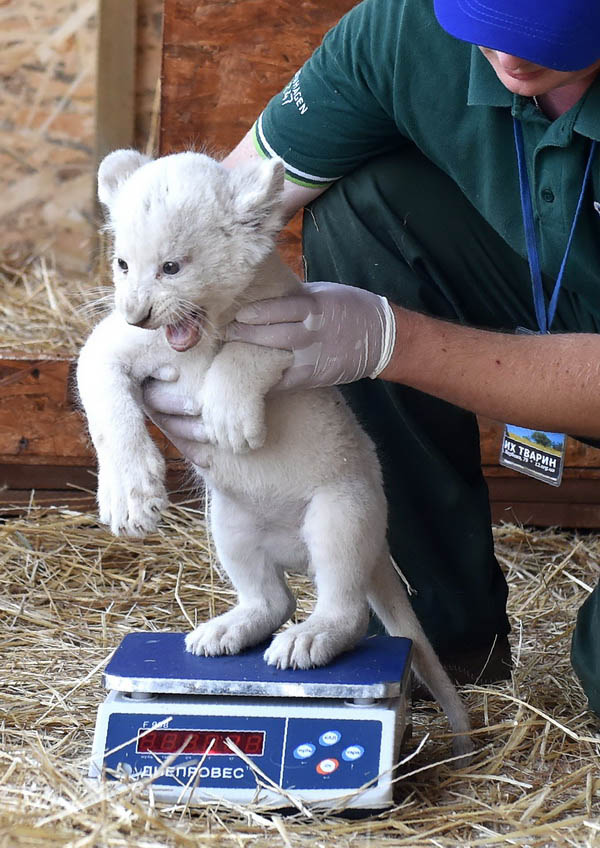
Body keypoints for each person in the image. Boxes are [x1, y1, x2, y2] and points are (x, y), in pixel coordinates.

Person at [145, 0, 600, 714]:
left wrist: (394, 341)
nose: (510, 58)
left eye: (546, 37)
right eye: (484, 24)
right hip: (562, 290)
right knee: (366, 208)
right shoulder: (405, 31)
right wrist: (173, 349)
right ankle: (438, 630)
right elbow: (209, 214)